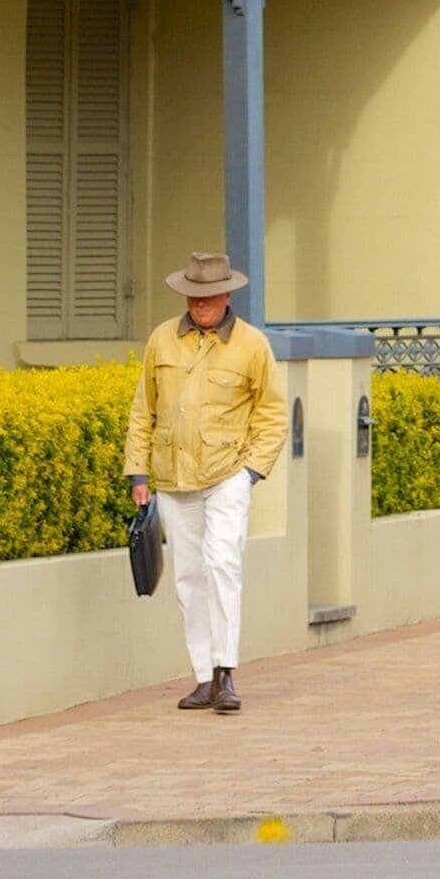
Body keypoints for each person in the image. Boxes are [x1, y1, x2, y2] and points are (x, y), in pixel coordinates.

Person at [127, 251, 284, 714]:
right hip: (174, 479)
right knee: (188, 577)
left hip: (227, 475)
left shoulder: (252, 345)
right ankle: (202, 678)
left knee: (223, 565)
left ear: (227, 295)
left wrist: (252, 470)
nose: (200, 306)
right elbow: (144, 409)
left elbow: (272, 413)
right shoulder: (162, 340)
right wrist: (138, 472)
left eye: (209, 297)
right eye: (193, 298)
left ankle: (226, 672)